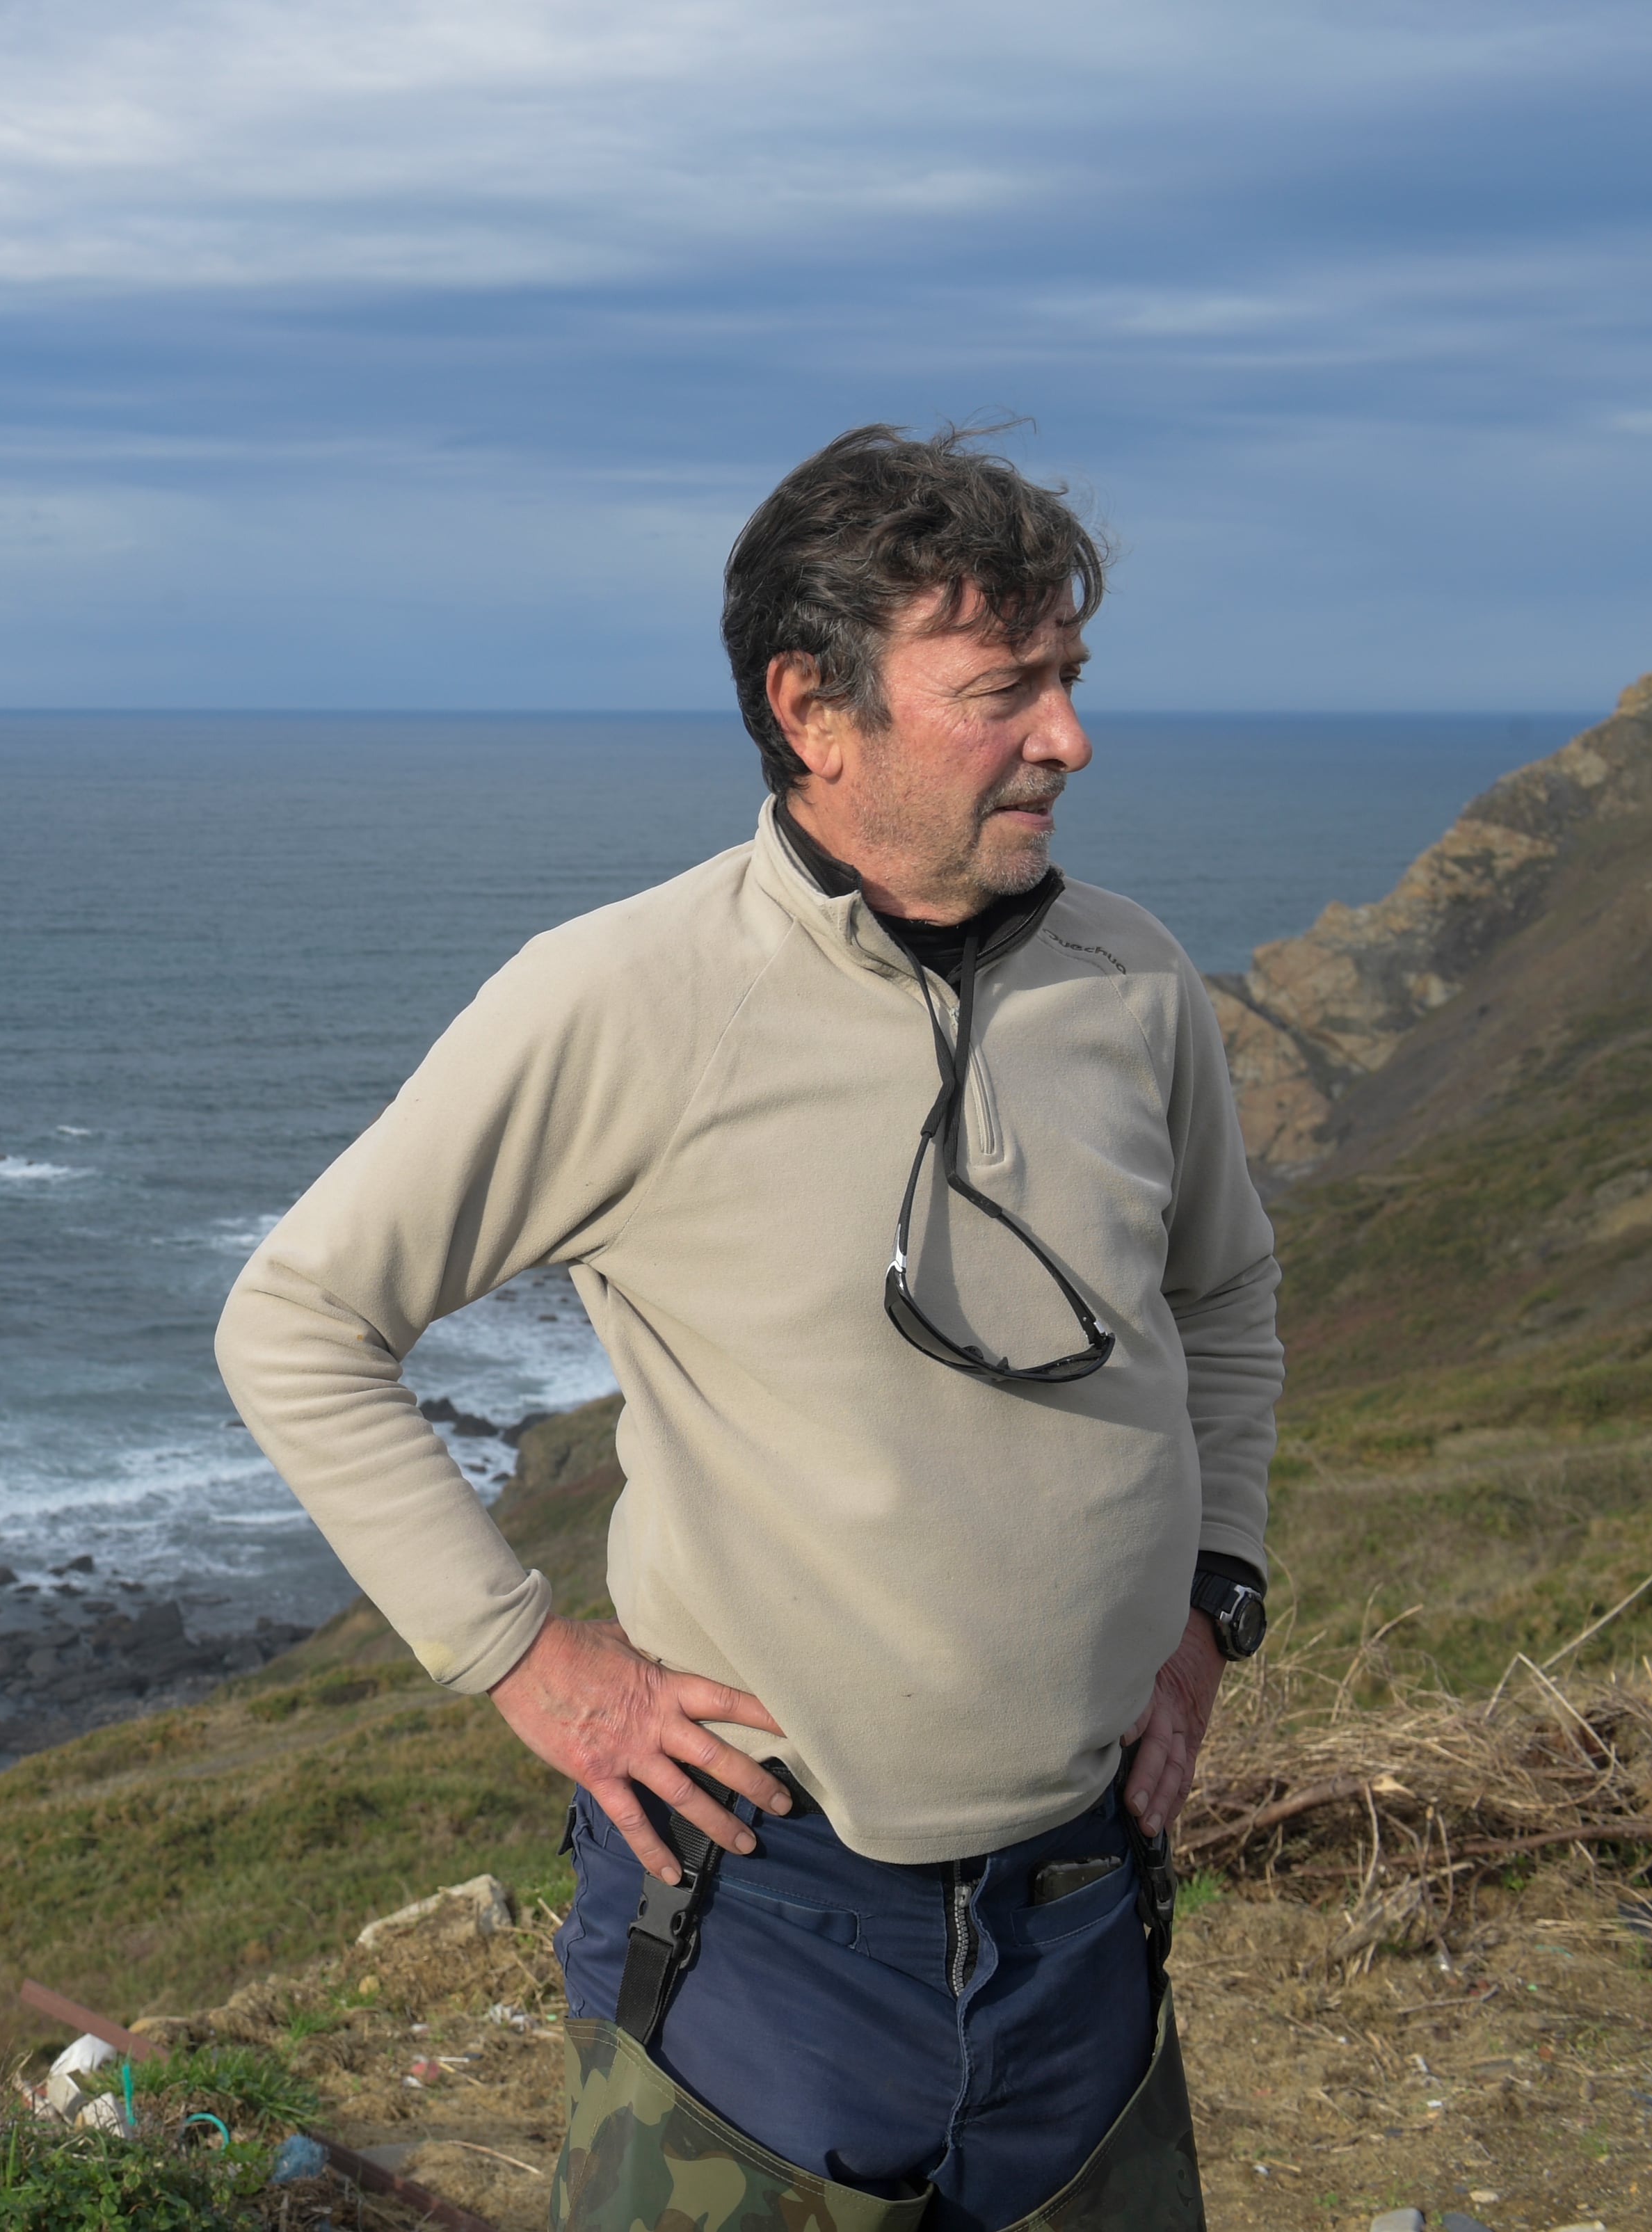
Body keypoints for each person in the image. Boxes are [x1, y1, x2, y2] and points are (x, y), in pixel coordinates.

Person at [215, 423, 1278, 2230]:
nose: (1070, 739)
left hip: (1090, 1898)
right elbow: (300, 1318)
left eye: (1072, 681)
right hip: (768, 1915)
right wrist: (530, 1665)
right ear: (816, 707)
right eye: (1005, 689)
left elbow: (1227, 1294)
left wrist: (1214, 1594)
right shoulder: (628, 995)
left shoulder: (1133, 977)